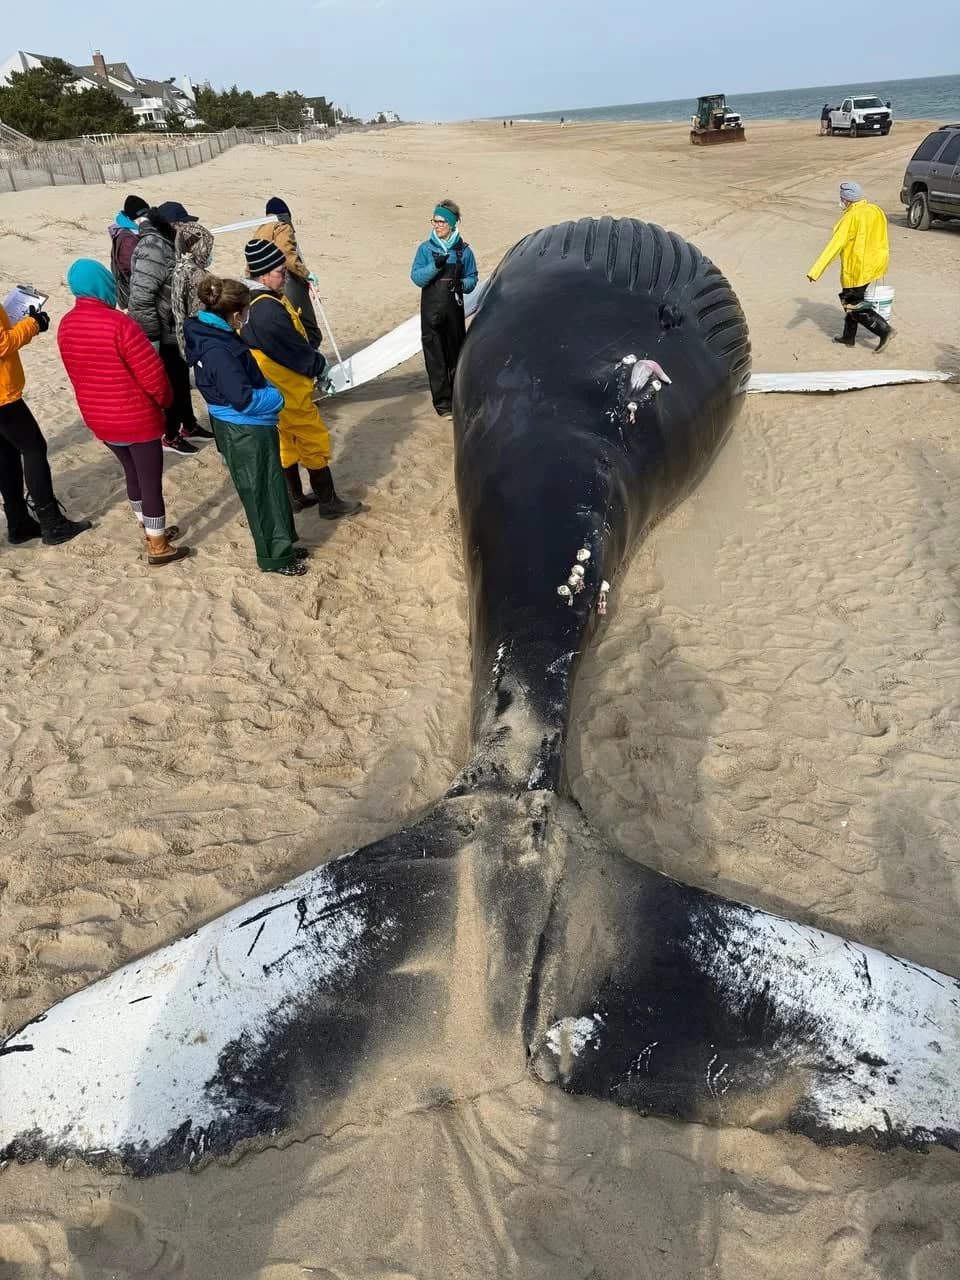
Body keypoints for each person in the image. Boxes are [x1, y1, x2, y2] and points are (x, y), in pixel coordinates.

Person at [57, 260, 189, 567]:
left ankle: (148, 528)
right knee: (149, 479)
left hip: (99, 417)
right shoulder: (120, 324)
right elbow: (153, 374)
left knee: (132, 471)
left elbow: (76, 372)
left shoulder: (67, 324)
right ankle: (158, 545)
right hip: (135, 417)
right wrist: (167, 401)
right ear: (103, 284)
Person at [184, 275, 308, 577]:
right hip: (245, 429)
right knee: (261, 492)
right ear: (236, 314)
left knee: (271, 486)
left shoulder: (215, 333)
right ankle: (275, 557)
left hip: (244, 425)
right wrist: (275, 397)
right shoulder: (218, 350)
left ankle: (284, 544)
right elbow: (242, 399)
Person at [241, 238, 360, 518]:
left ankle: (295, 496)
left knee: (284, 441)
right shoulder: (267, 311)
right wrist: (319, 364)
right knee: (311, 439)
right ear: (263, 273)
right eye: (280, 272)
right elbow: (293, 350)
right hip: (288, 387)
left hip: (269, 388)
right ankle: (329, 503)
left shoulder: (251, 300)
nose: (284, 277)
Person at [0, 296, 91, 546]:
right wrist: (33, 323)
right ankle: (51, 522)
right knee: (33, 448)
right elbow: (2, 343)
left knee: (7, 453)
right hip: (3, 397)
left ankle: (18, 522)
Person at [128, 201, 206, 453]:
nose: (186, 228)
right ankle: (169, 435)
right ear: (171, 224)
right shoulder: (152, 248)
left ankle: (189, 425)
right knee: (170, 384)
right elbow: (140, 298)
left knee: (182, 379)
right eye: (182, 223)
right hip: (162, 332)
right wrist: (153, 338)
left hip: (175, 329)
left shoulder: (169, 243)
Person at [410, 199, 478, 418]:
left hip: (454, 312)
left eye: (440, 222)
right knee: (435, 358)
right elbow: (417, 278)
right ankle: (443, 405)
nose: (436, 226)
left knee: (456, 356)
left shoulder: (464, 251)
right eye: (434, 221)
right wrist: (435, 266)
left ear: (452, 224)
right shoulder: (425, 249)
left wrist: (462, 284)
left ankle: (459, 401)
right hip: (431, 312)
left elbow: (472, 279)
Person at [807, 181, 894, 352]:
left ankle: (884, 330)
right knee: (852, 300)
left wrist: (815, 271)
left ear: (847, 200)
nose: (841, 202)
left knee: (853, 304)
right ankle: (848, 337)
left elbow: (834, 246)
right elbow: (882, 236)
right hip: (873, 266)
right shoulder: (875, 211)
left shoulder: (850, 218)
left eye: (841, 199)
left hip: (857, 269)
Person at [254, 197, 322, 349]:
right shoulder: (282, 228)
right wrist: (306, 273)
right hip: (286, 282)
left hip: (264, 284)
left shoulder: (260, 230)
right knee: (304, 326)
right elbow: (287, 255)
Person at [108, 194, 149, 309]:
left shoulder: (137, 232)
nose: (147, 219)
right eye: (143, 217)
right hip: (135, 295)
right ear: (132, 219)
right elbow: (133, 270)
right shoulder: (127, 240)